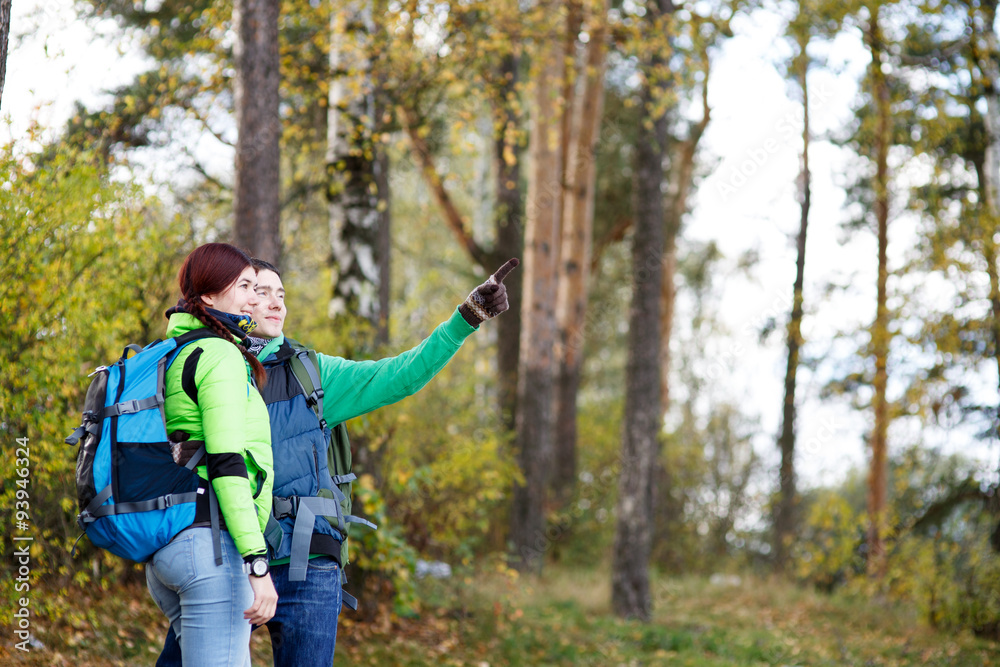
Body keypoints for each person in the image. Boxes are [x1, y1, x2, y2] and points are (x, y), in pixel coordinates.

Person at [158, 256, 518, 667]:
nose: (276, 304)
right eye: (260, 292)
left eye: (282, 294)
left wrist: (466, 318)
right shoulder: (208, 362)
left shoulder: (314, 373)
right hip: (227, 552)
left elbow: (400, 375)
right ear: (232, 297)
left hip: (308, 560)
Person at [146, 243, 279, 667]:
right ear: (208, 296)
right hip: (212, 547)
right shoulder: (219, 354)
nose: (253, 298)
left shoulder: (175, 349)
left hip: (170, 541)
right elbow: (226, 462)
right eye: (244, 286)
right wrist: (257, 564)